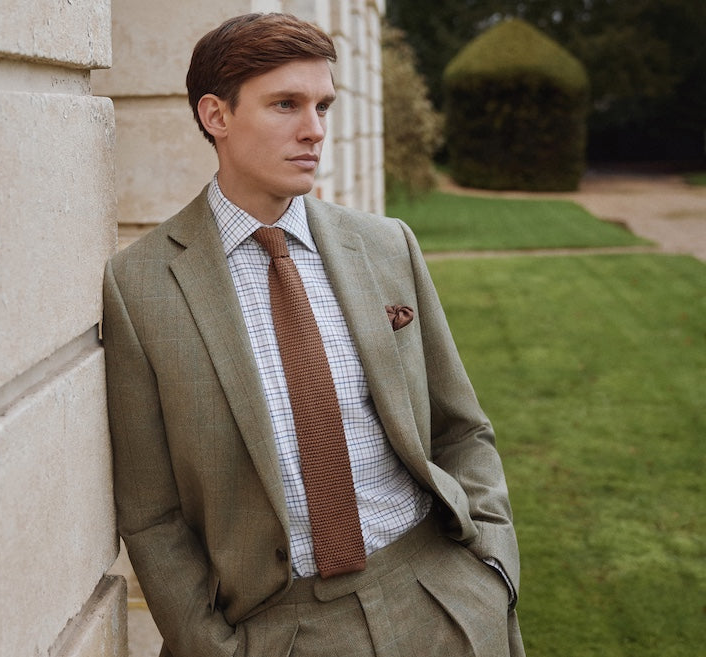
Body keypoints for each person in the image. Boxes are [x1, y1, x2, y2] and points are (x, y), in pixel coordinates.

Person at [102, 12, 525, 657]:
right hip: (279, 626)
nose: (315, 130)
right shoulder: (142, 284)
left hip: (438, 596)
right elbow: (151, 513)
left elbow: (461, 428)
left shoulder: (387, 246)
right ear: (216, 116)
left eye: (322, 105)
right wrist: (210, 644)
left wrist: (492, 566)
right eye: (285, 105)